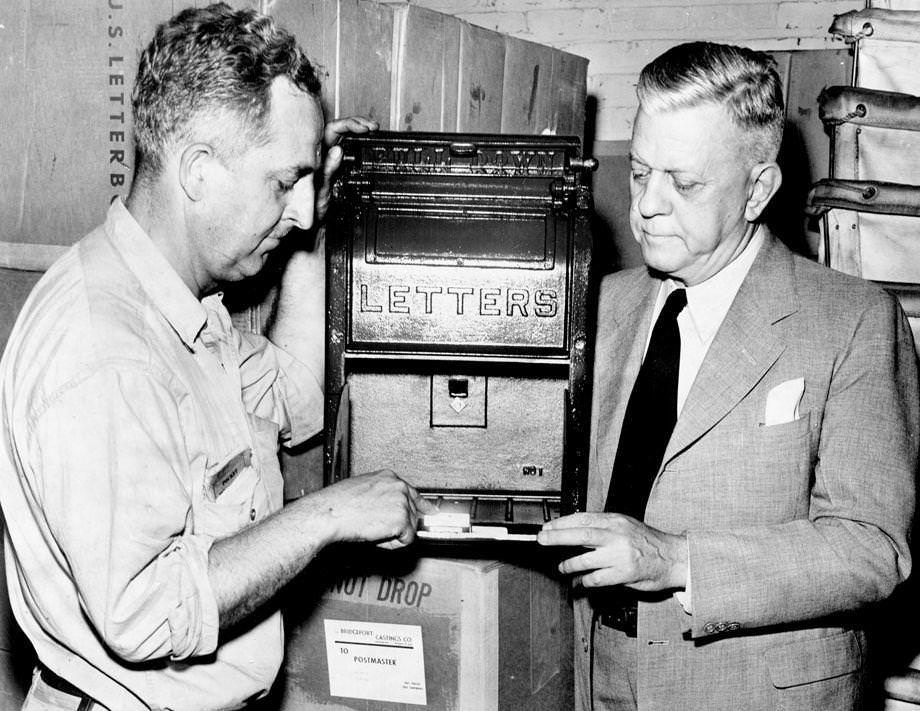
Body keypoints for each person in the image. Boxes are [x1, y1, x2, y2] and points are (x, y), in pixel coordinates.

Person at [0, 4, 432, 710]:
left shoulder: (182, 309)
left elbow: (292, 391)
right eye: (282, 182)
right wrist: (327, 517)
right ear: (199, 171)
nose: (297, 209)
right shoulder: (107, 348)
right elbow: (143, 611)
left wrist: (312, 222)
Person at [538, 41, 920, 710]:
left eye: (683, 182)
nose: (649, 204)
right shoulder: (599, 306)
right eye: (639, 172)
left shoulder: (853, 320)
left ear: (758, 189)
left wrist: (677, 560)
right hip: (601, 679)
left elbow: (873, 547)